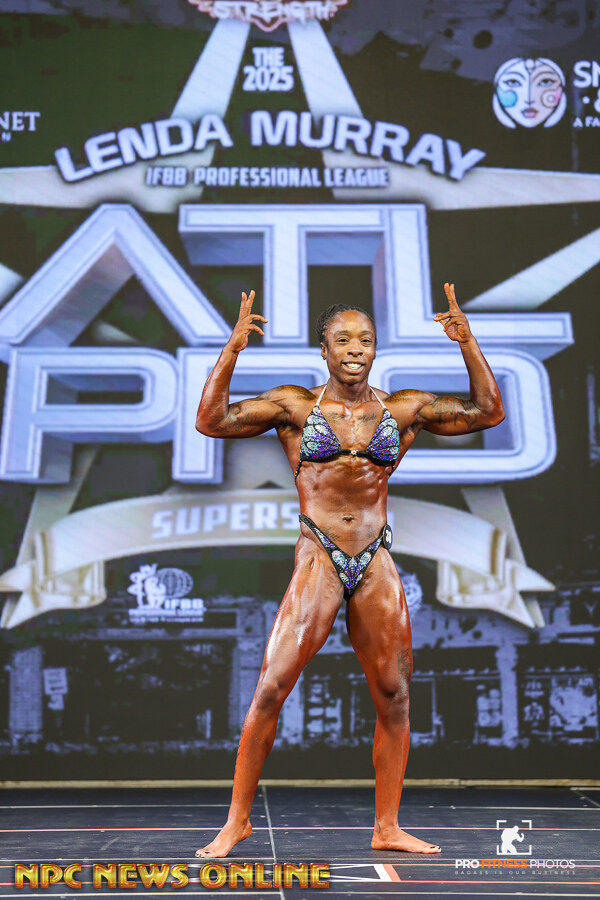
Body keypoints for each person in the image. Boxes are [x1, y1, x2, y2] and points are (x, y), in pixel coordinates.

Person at [194, 282, 505, 858]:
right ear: (324, 350)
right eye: (343, 340)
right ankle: (237, 822)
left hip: (374, 556)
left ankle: (387, 827)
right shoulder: (295, 406)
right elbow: (211, 421)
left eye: (365, 339)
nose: (355, 348)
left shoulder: (402, 409)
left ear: (375, 349)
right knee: (270, 689)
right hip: (320, 553)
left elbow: (488, 412)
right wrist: (231, 350)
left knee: (394, 695)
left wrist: (468, 343)